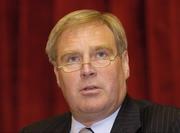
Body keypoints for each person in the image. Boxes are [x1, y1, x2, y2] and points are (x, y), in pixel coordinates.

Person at [21, 9, 180, 133]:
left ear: (125, 64)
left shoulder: (171, 125)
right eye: (72, 59)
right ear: (57, 74)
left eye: (101, 54)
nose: (87, 70)